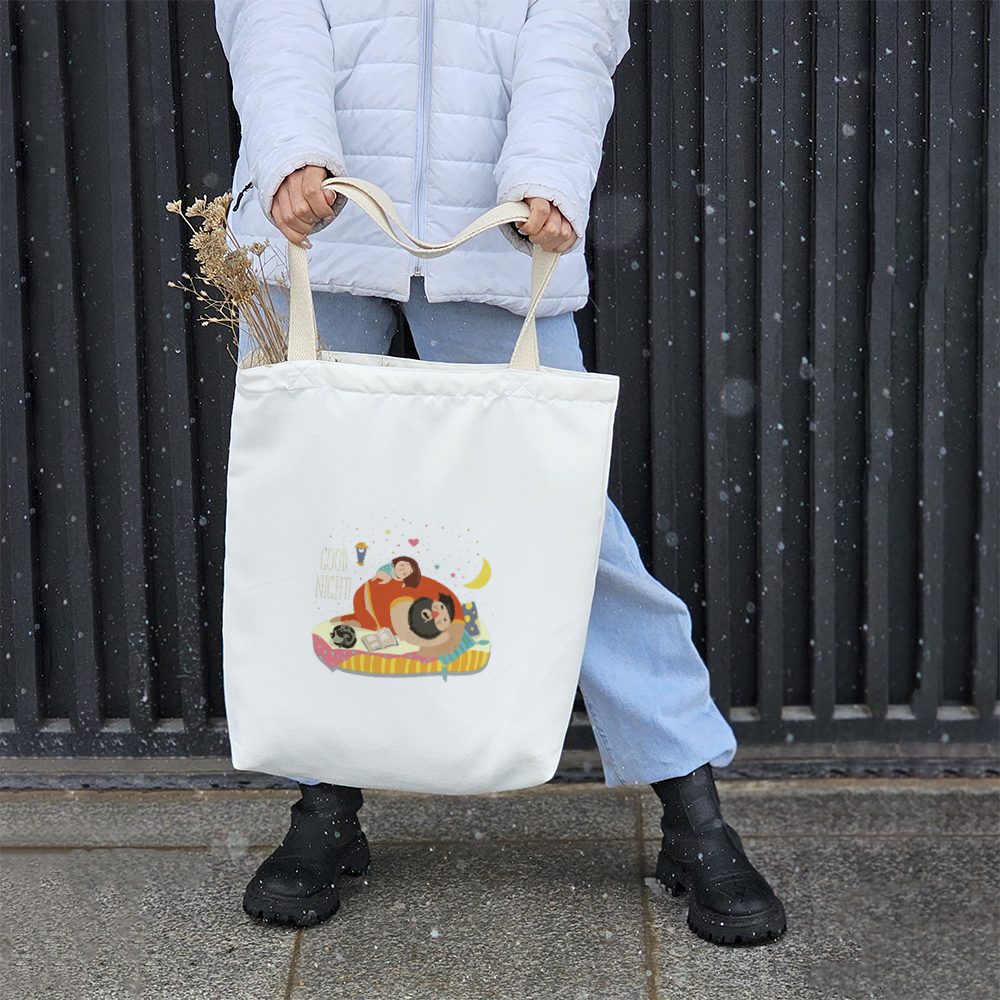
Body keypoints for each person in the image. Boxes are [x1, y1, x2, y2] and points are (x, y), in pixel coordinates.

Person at [216, 0, 786, 945]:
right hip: (315, 229)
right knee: (314, 528)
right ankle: (323, 803)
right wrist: (291, 153)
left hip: (495, 233)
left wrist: (548, 174)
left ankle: (693, 813)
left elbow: (573, 27)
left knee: (569, 529)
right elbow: (272, 15)